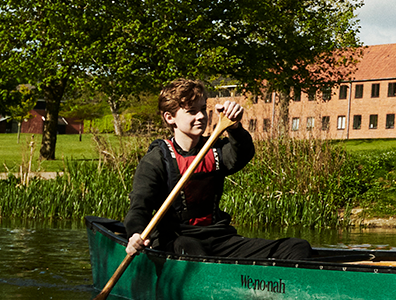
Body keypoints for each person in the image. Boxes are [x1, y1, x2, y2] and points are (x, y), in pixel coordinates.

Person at [124, 78, 333, 264]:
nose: (201, 116)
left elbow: (242, 153)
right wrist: (135, 234)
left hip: (219, 238)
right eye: (192, 111)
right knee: (192, 249)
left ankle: (275, 288)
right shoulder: (156, 160)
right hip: (176, 240)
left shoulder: (216, 149)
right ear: (170, 118)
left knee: (297, 247)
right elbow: (139, 208)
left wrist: (234, 128)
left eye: (202, 109)